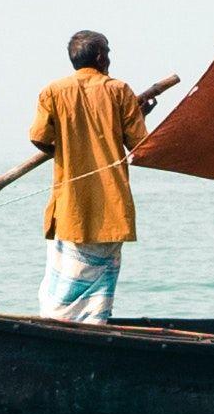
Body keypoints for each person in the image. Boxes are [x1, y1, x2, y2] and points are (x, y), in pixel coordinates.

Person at [28, 29, 151, 321]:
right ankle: (93, 325)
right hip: (110, 206)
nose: (109, 57)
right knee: (99, 285)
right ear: (100, 57)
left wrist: (66, 147)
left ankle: (58, 325)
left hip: (71, 205)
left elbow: (39, 138)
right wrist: (140, 114)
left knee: (63, 279)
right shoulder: (120, 91)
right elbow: (139, 145)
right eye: (107, 52)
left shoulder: (52, 92)